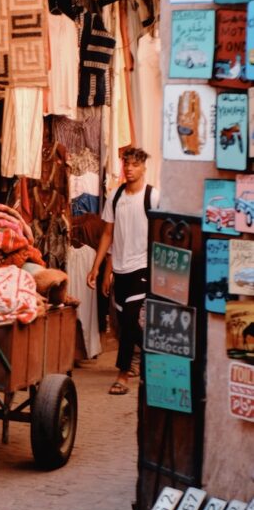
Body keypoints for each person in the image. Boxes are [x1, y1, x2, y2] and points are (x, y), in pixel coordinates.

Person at [86, 148, 159, 395]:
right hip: (120, 268)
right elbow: (108, 235)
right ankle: (153, 355)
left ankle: (123, 374)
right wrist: (100, 269)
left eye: (135, 165)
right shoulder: (115, 196)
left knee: (129, 320)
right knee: (126, 325)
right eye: (126, 164)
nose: (129, 169)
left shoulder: (153, 196)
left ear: (144, 168)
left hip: (143, 267)